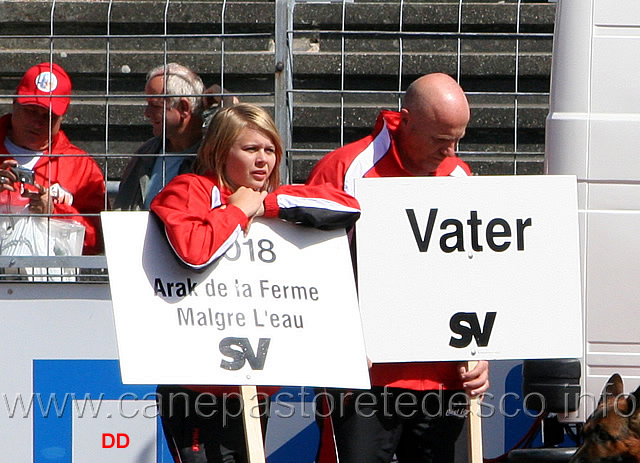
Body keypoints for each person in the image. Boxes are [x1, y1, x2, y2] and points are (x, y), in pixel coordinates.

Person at [150, 103, 361, 463]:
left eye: (270, 150)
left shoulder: (269, 199)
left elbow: (349, 206)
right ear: (219, 151)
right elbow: (193, 253)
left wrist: (263, 207)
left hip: (255, 384)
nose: (263, 160)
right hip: (197, 385)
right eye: (250, 149)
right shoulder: (188, 189)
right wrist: (236, 211)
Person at [306, 73, 491, 463]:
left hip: (446, 376)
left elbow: (475, 272)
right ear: (405, 121)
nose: (451, 151)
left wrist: (482, 349)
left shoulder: (459, 175)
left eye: (458, 139)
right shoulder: (347, 169)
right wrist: (339, 344)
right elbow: (312, 273)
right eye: (441, 140)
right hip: (364, 380)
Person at [0, 62, 106, 255]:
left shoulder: (81, 166)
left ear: (62, 117)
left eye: (49, 115)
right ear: (14, 102)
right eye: (31, 110)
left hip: (51, 281)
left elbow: (100, 239)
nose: (37, 122)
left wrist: (55, 213)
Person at [114, 62, 237, 210]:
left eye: (155, 105)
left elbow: (237, 143)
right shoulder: (145, 154)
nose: (146, 113)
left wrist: (229, 108)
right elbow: (122, 211)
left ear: (184, 107)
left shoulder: (211, 156)